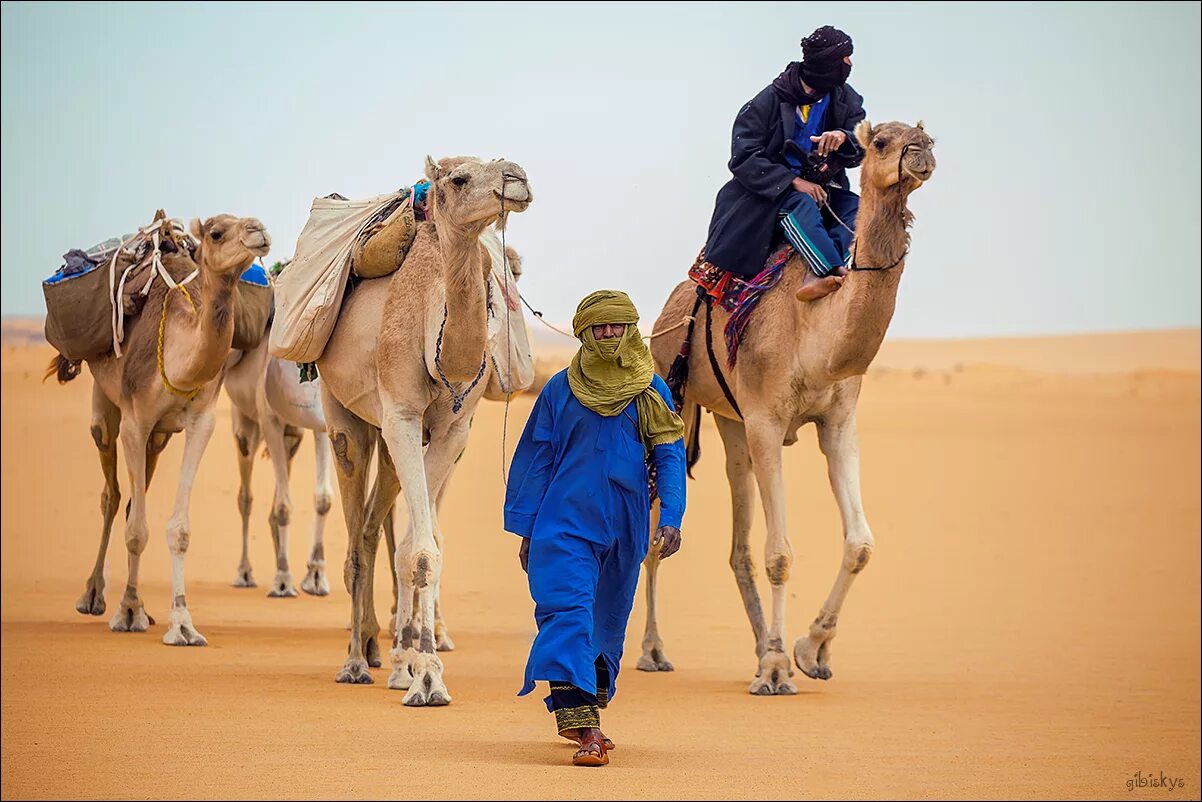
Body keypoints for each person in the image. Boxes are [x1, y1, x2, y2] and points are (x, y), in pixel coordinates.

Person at [504, 290, 687, 767]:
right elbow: (536, 460)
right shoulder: (559, 390)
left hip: (625, 528)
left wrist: (671, 517)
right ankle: (586, 731)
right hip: (561, 527)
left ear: (630, 330)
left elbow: (669, 455)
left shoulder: (651, 390)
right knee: (567, 615)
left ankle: (587, 714)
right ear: (583, 332)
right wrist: (527, 530)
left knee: (605, 623)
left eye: (617, 326)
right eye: (599, 327)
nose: (608, 335)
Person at [704, 25, 867, 302]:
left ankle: (832, 259)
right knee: (799, 205)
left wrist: (843, 137)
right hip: (769, 194)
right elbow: (743, 156)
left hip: (823, 187)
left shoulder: (844, 97)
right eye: (844, 58)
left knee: (857, 207)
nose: (849, 64)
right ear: (827, 64)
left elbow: (859, 142)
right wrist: (793, 182)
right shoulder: (766, 102)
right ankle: (826, 271)